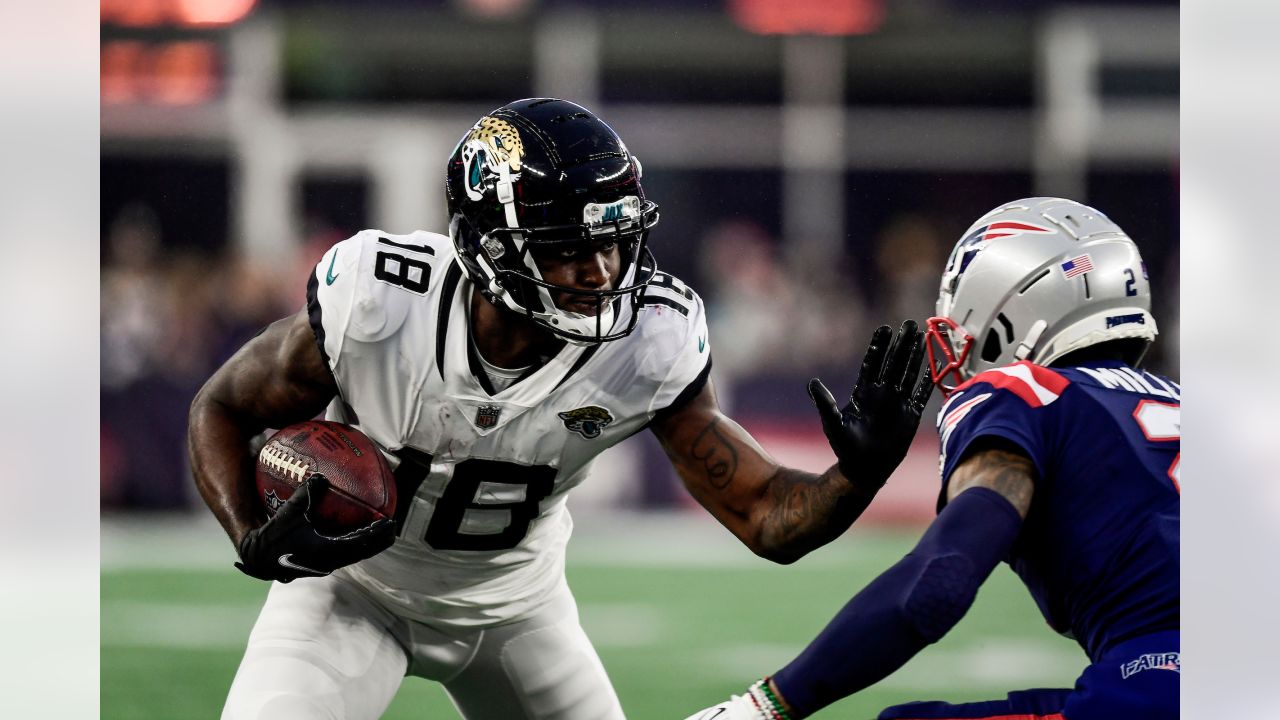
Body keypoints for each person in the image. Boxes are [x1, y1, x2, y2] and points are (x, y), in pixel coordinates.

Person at [187, 98, 934, 720]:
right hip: (352, 596)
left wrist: (854, 476)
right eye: (567, 246)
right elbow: (222, 405)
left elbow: (768, 518)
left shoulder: (650, 338)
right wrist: (250, 531)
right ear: (488, 247)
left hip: (517, 610)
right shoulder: (382, 302)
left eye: (614, 241)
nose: (601, 269)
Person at [684, 197, 1179, 720]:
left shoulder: (1027, 393)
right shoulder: (1182, 400)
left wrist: (766, 707)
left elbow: (937, 583)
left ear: (1009, 309)